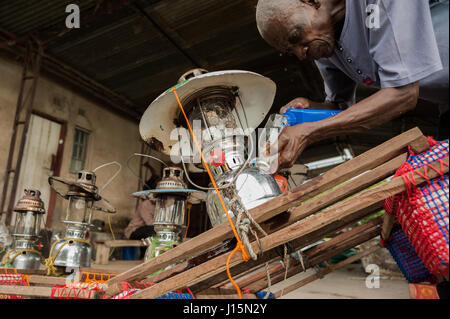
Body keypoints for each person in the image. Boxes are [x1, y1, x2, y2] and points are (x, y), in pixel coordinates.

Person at [255, 0, 449, 172]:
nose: (300, 54)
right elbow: (341, 109)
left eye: (296, 36)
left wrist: (310, 132)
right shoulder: (323, 44)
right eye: (291, 50)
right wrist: (310, 110)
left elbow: (403, 94)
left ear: (310, 1)